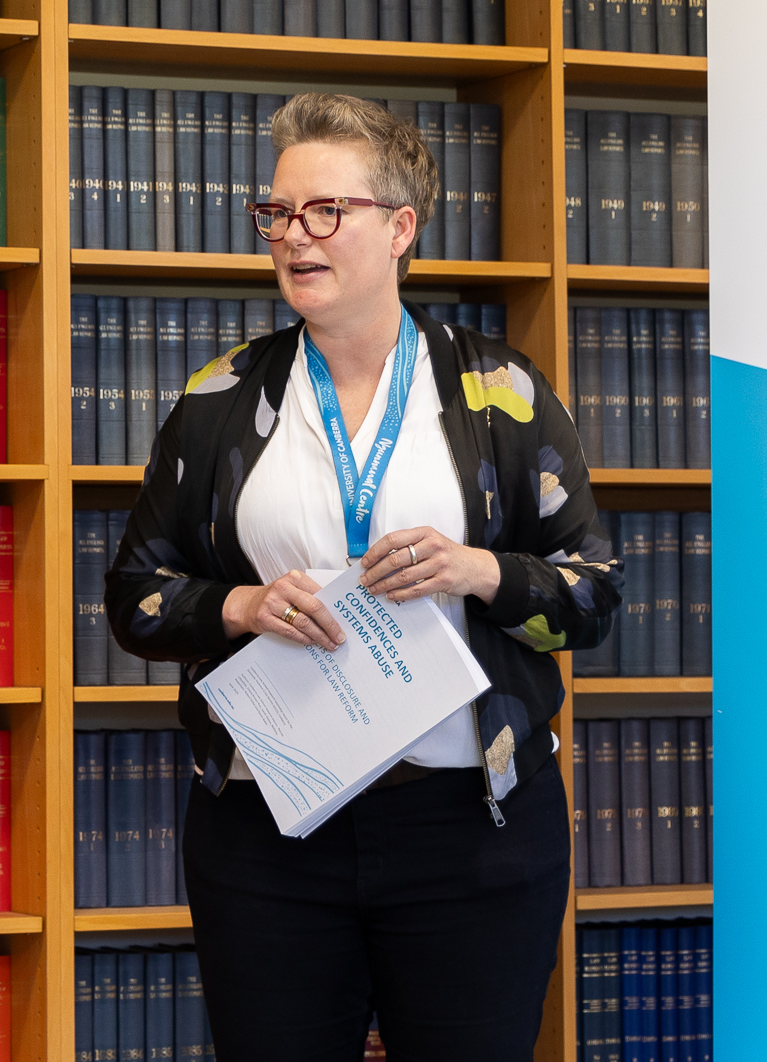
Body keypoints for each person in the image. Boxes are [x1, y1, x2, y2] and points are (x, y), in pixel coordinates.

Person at [105, 93, 622, 1061]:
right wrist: (240, 605)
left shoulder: (497, 395)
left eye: (322, 211)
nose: (292, 237)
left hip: (469, 830)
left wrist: (478, 572)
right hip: (267, 828)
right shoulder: (217, 400)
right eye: (276, 214)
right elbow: (134, 597)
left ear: (399, 228)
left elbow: (589, 597)